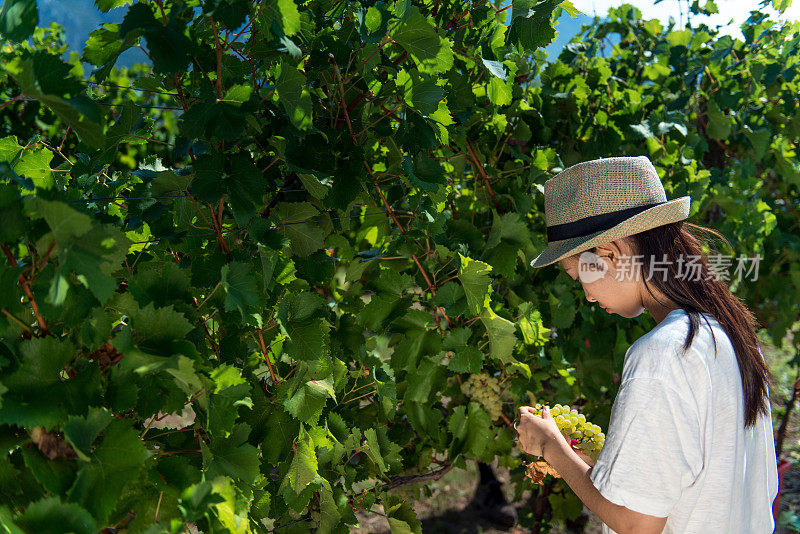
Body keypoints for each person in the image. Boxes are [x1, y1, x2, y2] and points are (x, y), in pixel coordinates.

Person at [514, 156, 779, 534]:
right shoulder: (729, 334)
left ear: (609, 253)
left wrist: (550, 447)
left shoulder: (663, 354)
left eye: (579, 275)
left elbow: (638, 524)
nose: (587, 296)